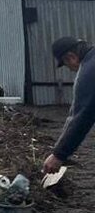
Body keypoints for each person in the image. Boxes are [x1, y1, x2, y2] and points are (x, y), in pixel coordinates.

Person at [44, 36, 95, 174]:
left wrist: (58, 155)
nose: (72, 70)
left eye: (67, 65)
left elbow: (82, 117)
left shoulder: (88, 72)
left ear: (71, 57)